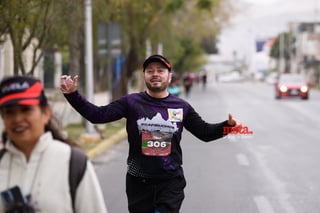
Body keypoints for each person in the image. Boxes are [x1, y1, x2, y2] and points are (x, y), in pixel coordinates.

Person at [60, 54, 241, 213]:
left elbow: (205, 132)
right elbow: (97, 115)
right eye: (150, 70)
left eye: (161, 70)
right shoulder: (131, 102)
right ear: (145, 76)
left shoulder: (181, 107)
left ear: (169, 77)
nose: (155, 74)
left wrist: (228, 126)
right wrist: (73, 95)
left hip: (170, 183)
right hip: (138, 182)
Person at [0, 76, 108, 213]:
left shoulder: (72, 162)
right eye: (9, 112)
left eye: (26, 110)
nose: (17, 119)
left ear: (46, 113)